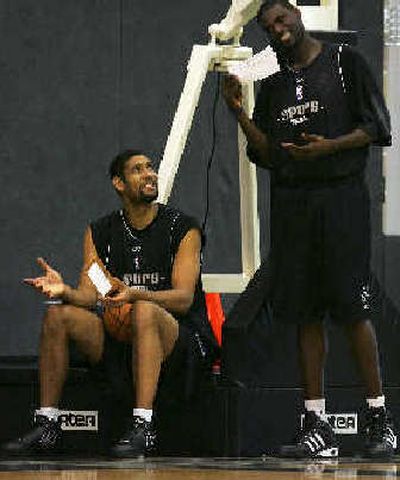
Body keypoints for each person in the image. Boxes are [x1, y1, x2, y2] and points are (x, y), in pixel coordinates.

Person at [222, 0, 396, 458]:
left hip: (340, 199)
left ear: (297, 16)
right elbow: (267, 154)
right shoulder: (275, 83)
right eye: (268, 26)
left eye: (282, 19)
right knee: (303, 313)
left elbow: (379, 126)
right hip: (292, 204)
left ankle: (380, 420)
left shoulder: (345, 63)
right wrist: (239, 113)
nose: (277, 30)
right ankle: (317, 426)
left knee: (353, 310)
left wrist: (330, 148)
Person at [2, 149, 218, 457]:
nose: (149, 174)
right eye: (138, 170)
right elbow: (91, 295)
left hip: (181, 339)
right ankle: (48, 424)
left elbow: (184, 299)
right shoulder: (100, 233)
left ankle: (143, 424)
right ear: (119, 183)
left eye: (150, 168)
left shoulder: (182, 228)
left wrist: (134, 294)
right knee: (59, 316)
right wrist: (64, 290)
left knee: (143, 310)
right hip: (126, 336)